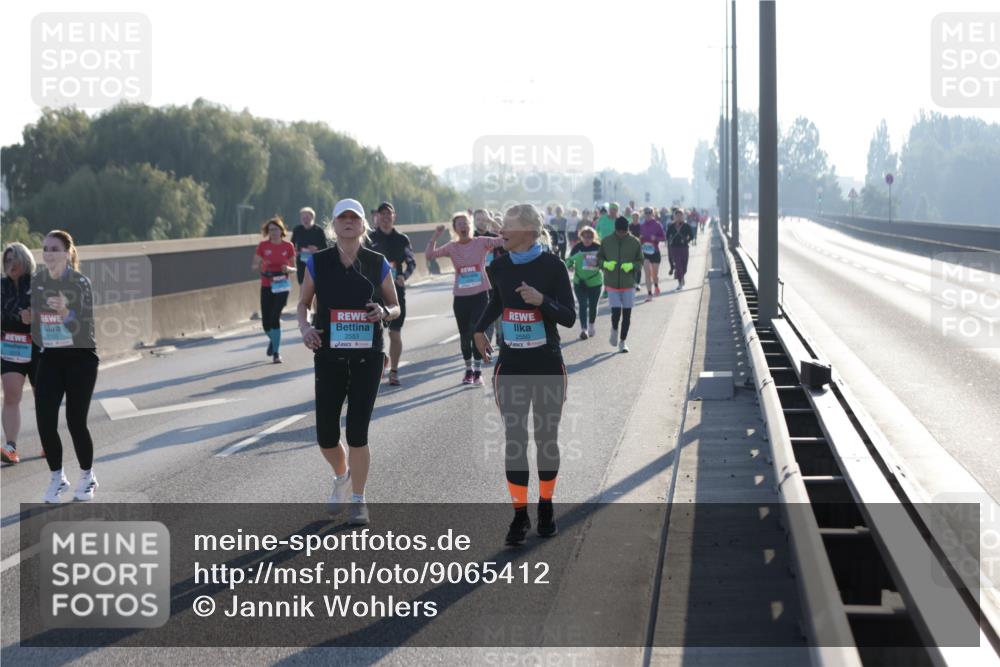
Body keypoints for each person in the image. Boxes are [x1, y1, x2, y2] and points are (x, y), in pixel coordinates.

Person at [473, 204, 575, 546]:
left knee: (546, 440)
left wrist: (541, 300)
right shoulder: (498, 266)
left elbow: (570, 317)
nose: (501, 228)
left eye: (509, 225)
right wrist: (479, 329)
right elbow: (495, 302)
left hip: (547, 365)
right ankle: (520, 515)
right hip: (511, 367)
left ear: (530, 231)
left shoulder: (553, 265)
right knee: (515, 442)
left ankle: (545, 506)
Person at [298, 198, 400, 526]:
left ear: (362, 225)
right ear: (333, 224)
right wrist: (305, 327)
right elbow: (303, 303)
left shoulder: (376, 260)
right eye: (342, 217)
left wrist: (383, 312)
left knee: (357, 432)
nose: (348, 222)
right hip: (328, 354)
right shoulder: (319, 261)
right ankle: (341, 475)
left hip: (367, 356)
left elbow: (395, 306)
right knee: (326, 435)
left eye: (354, 217)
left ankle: (359, 497)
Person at [31, 230, 99, 502]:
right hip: (51, 358)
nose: (48, 253)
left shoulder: (80, 283)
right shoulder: (38, 281)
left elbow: (82, 328)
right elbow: (37, 326)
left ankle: (87, 476)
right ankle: (57, 477)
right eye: (45, 248)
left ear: (68, 252)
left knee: (75, 421)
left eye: (54, 248)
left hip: (80, 358)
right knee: (45, 421)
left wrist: (65, 312)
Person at [426, 212, 505, 385]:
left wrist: (493, 223)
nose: (463, 226)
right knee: (465, 335)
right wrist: (435, 236)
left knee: (477, 332)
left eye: (466, 223)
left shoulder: (482, 242)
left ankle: (478, 371)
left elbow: (504, 239)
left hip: (480, 295)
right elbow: (430, 256)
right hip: (461, 297)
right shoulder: (452, 247)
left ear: (470, 225)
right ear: (455, 229)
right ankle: (468, 370)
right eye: (459, 224)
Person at [366, 201, 416, 386]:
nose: (386, 218)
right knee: (374, 335)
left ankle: (394, 371)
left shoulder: (402, 239)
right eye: (382, 214)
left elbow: (411, 261)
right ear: (377, 217)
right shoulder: (369, 238)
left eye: (389, 214)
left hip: (395, 292)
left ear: (394, 217)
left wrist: (405, 275)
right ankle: (381, 360)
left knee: (395, 334)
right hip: (373, 292)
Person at [2, 243, 39, 464]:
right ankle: (10, 446)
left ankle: (49, 441)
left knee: (43, 396)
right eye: (6, 260)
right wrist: (19, 314)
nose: (10, 264)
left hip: (38, 347)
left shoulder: (39, 284)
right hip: (10, 346)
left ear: (24, 261)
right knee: (11, 396)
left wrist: (35, 314)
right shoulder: (1, 286)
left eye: (14, 259)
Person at [251, 217, 297, 363]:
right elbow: (255, 264)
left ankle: (276, 353)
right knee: (266, 323)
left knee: (274, 316)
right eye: (271, 230)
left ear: (281, 230)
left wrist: (287, 268)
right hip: (267, 284)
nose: (274, 232)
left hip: (282, 285)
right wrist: (259, 264)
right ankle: (274, 340)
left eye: (276, 229)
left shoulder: (288, 246)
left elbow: (294, 268)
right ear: (267, 232)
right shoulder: (263, 246)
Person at [596, 217, 643, 353]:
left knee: (627, 315)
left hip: (628, 283)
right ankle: (614, 329)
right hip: (612, 283)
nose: (621, 234)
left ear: (627, 230)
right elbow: (599, 258)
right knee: (616, 313)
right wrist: (605, 264)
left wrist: (632, 266)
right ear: (615, 229)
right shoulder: (606, 241)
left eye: (623, 232)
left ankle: (623, 342)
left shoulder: (635, 242)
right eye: (618, 232)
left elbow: (640, 261)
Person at [564, 226, 603, 339]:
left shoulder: (598, 247)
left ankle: (591, 325)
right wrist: (570, 267)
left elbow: (605, 261)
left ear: (593, 237)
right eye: (585, 236)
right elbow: (569, 261)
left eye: (590, 236)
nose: (587, 239)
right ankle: (584, 329)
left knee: (593, 305)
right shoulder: (577, 247)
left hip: (595, 281)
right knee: (582, 304)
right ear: (581, 236)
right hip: (579, 281)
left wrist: (600, 264)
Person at [290, 206, 329, 285]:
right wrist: (295, 252)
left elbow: (325, 247)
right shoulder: (297, 229)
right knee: (302, 284)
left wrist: (317, 249)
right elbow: (291, 244)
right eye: (303, 217)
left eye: (307, 217)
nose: (305, 220)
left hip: (316, 262)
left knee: (315, 284)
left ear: (312, 217)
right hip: (301, 263)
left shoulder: (319, 230)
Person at [639, 207, 666, 300]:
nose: (647, 214)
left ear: (652, 214)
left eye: (649, 213)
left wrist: (656, 238)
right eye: (646, 213)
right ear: (644, 214)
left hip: (655, 252)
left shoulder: (657, 225)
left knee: (654, 275)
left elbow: (663, 237)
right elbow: (638, 239)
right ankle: (649, 294)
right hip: (645, 252)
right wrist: (640, 238)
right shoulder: (641, 226)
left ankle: (656, 286)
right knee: (647, 273)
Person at [667, 208, 694, 289]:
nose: (678, 217)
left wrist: (687, 240)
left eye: (680, 215)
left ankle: (681, 276)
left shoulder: (686, 226)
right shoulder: (671, 226)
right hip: (674, 248)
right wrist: (670, 239)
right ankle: (680, 282)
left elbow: (692, 236)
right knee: (678, 264)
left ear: (683, 216)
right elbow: (667, 235)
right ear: (674, 217)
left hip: (684, 247)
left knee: (684, 266)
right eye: (677, 215)